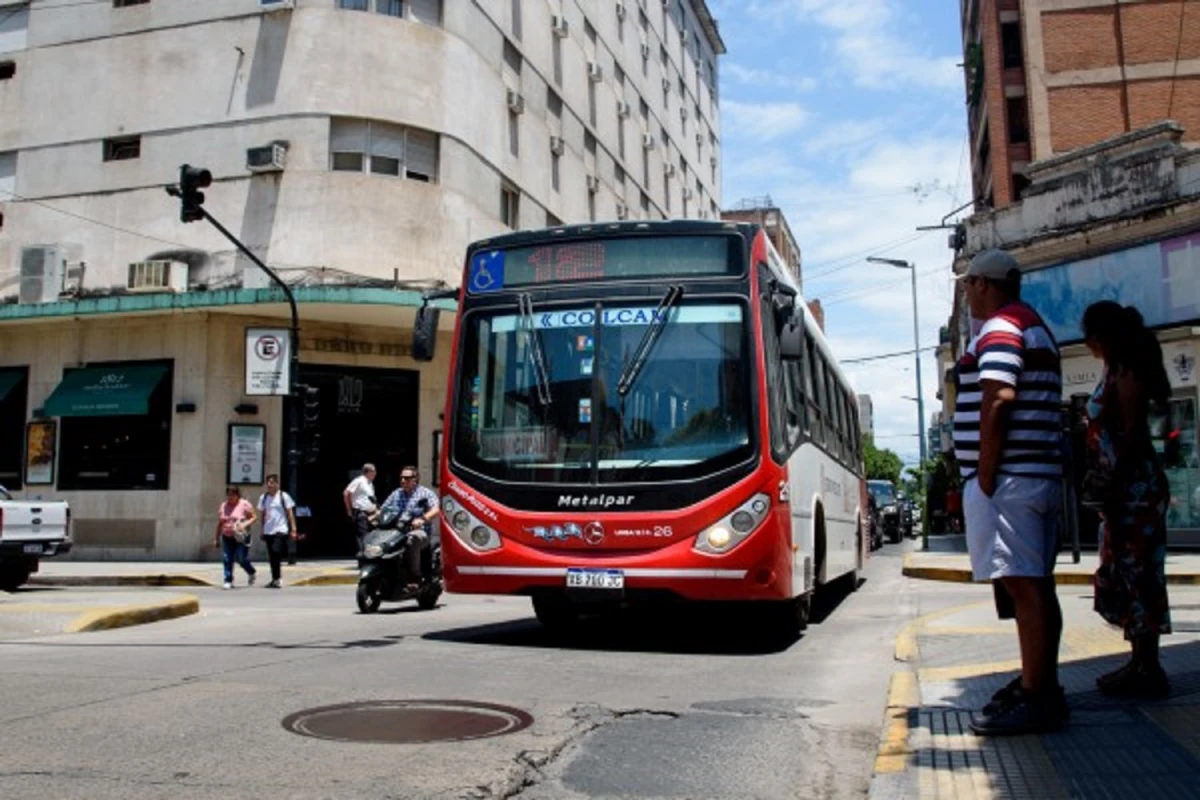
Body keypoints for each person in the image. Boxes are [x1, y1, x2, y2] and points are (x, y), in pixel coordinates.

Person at [952, 248, 1066, 735]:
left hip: (1011, 479)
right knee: (1034, 583)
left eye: (967, 284)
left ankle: (1038, 696)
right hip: (1030, 475)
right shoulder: (1032, 324)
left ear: (983, 284)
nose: (965, 293)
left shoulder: (1002, 327)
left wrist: (984, 470)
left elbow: (998, 396)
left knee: (1023, 585)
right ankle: (1037, 683)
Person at [1082, 301, 1173, 697]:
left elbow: (1134, 436)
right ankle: (1138, 661)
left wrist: (1114, 484)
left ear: (1102, 335)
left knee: (1139, 576)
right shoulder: (1114, 369)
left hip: (1134, 492)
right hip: (1124, 491)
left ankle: (1148, 667)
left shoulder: (1127, 371)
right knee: (1125, 573)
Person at [377, 466, 440, 590]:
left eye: (406, 478)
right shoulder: (396, 493)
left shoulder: (425, 493)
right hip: (396, 532)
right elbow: (384, 508)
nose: (402, 480)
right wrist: (374, 515)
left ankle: (414, 576)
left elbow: (436, 509)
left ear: (415, 479)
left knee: (413, 539)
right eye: (401, 478)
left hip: (420, 532)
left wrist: (422, 519)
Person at [257, 474, 297, 589]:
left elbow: (290, 513)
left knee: (276, 550)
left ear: (277, 484)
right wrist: (261, 530)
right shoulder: (263, 498)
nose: (269, 485)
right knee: (272, 555)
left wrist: (293, 529)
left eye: (272, 482)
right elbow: (262, 515)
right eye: (268, 483)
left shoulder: (283, 496)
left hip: (281, 529)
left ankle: (277, 578)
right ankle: (276, 579)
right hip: (268, 530)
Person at [215, 486, 257, 590]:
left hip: (241, 536)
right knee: (227, 558)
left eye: (232, 495)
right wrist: (216, 538)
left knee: (241, 558)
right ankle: (228, 580)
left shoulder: (244, 504)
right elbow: (220, 523)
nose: (230, 497)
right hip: (227, 535)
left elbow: (254, 517)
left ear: (237, 495)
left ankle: (251, 571)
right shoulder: (223, 506)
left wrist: (244, 524)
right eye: (228, 495)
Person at [344, 463, 377, 552]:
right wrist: (349, 510)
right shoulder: (359, 481)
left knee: (372, 536)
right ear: (368, 472)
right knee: (363, 536)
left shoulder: (370, 483)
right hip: (360, 512)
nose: (375, 474)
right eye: (373, 471)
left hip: (371, 514)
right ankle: (363, 557)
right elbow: (346, 493)